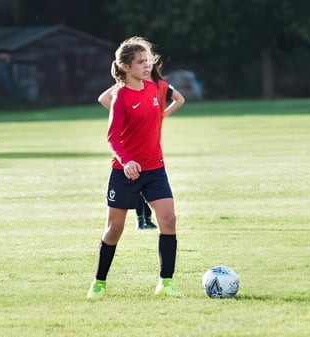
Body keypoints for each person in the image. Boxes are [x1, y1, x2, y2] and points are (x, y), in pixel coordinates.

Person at [87, 36, 186, 299]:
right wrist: (126, 160)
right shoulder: (119, 97)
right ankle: (99, 282)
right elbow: (112, 137)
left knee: (168, 219)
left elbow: (175, 100)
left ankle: (166, 283)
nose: (147, 65)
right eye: (141, 62)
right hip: (125, 171)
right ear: (126, 67)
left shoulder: (155, 88)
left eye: (148, 60)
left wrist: (160, 116)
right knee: (114, 230)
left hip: (155, 169)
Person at [98, 85, 157, 230]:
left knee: (147, 183)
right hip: (129, 151)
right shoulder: (122, 92)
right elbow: (103, 98)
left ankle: (145, 220)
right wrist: (122, 82)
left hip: (148, 149)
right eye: (141, 62)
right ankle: (142, 220)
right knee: (136, 180)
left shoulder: (151, 86)